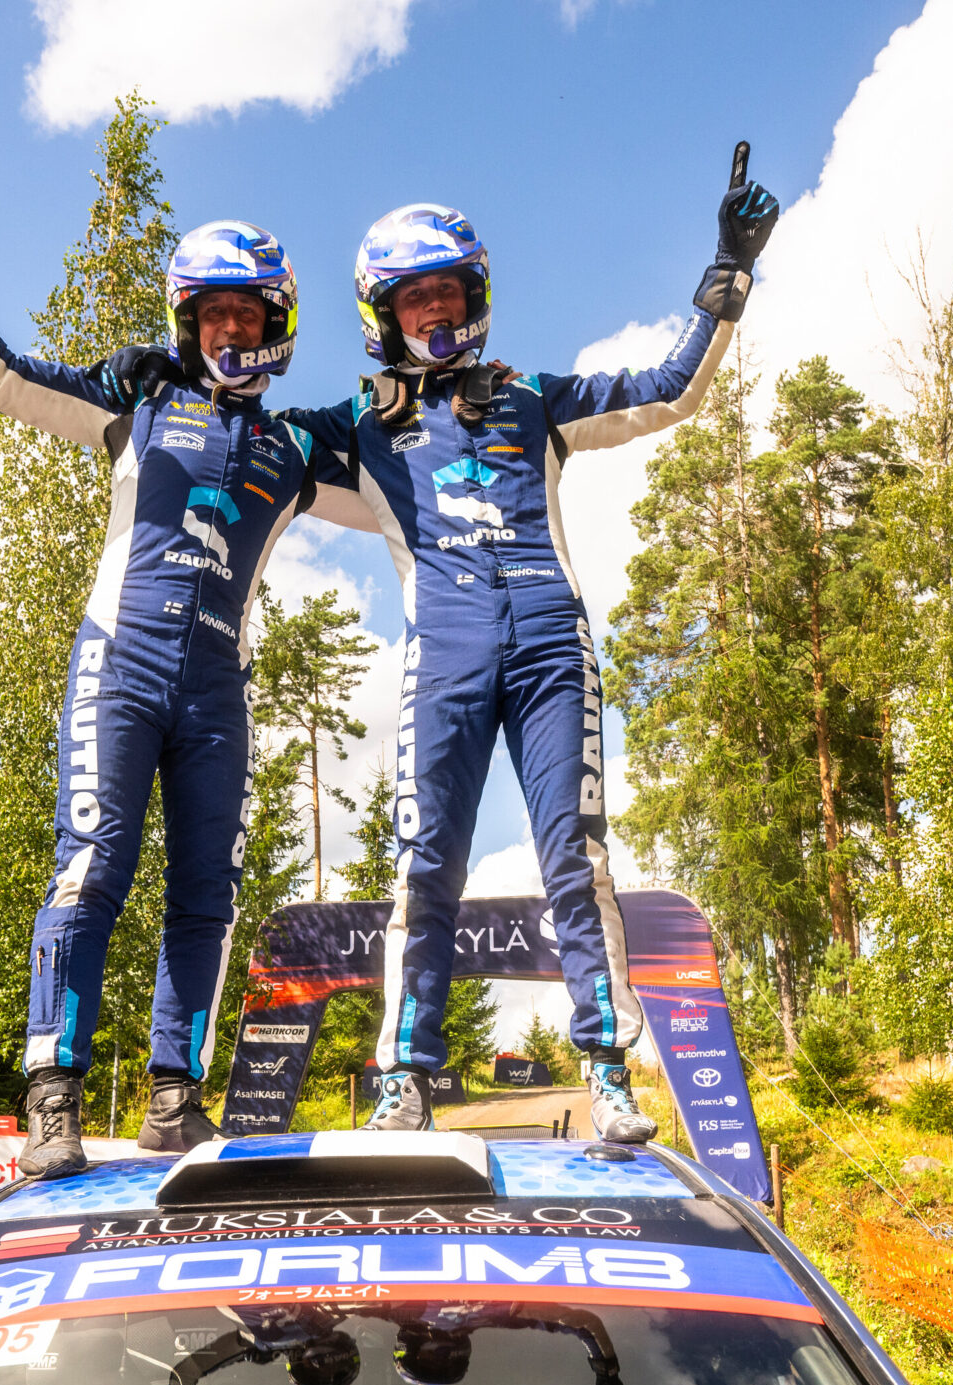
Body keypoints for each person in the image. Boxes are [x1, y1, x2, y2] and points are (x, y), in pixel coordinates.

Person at [284, 153, 780, 1142]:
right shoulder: (358, 430)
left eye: (448, 292)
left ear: (475, 298)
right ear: (383, 316)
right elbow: (243, 452)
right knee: (425, 865)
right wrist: (164, 388)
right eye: (413, 298)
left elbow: (670, 389)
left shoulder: (533, 401)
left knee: (574, 855)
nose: (434, 312)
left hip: (554, 652)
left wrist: (726, 274)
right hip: (444, 663)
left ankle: (605, 1073)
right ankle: (407, 1081)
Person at [0, 163, 363, 1177]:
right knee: (94, 862)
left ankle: (173, 1101)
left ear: (278, 325)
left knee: (206, 890)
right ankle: (52, 1102)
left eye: (250, 316)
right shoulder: (139, 398)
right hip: (119, 665)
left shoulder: (297, 448)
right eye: (214, 318)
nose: (232, 334)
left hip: (217, 691)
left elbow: (407, 496)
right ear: (186, 323)